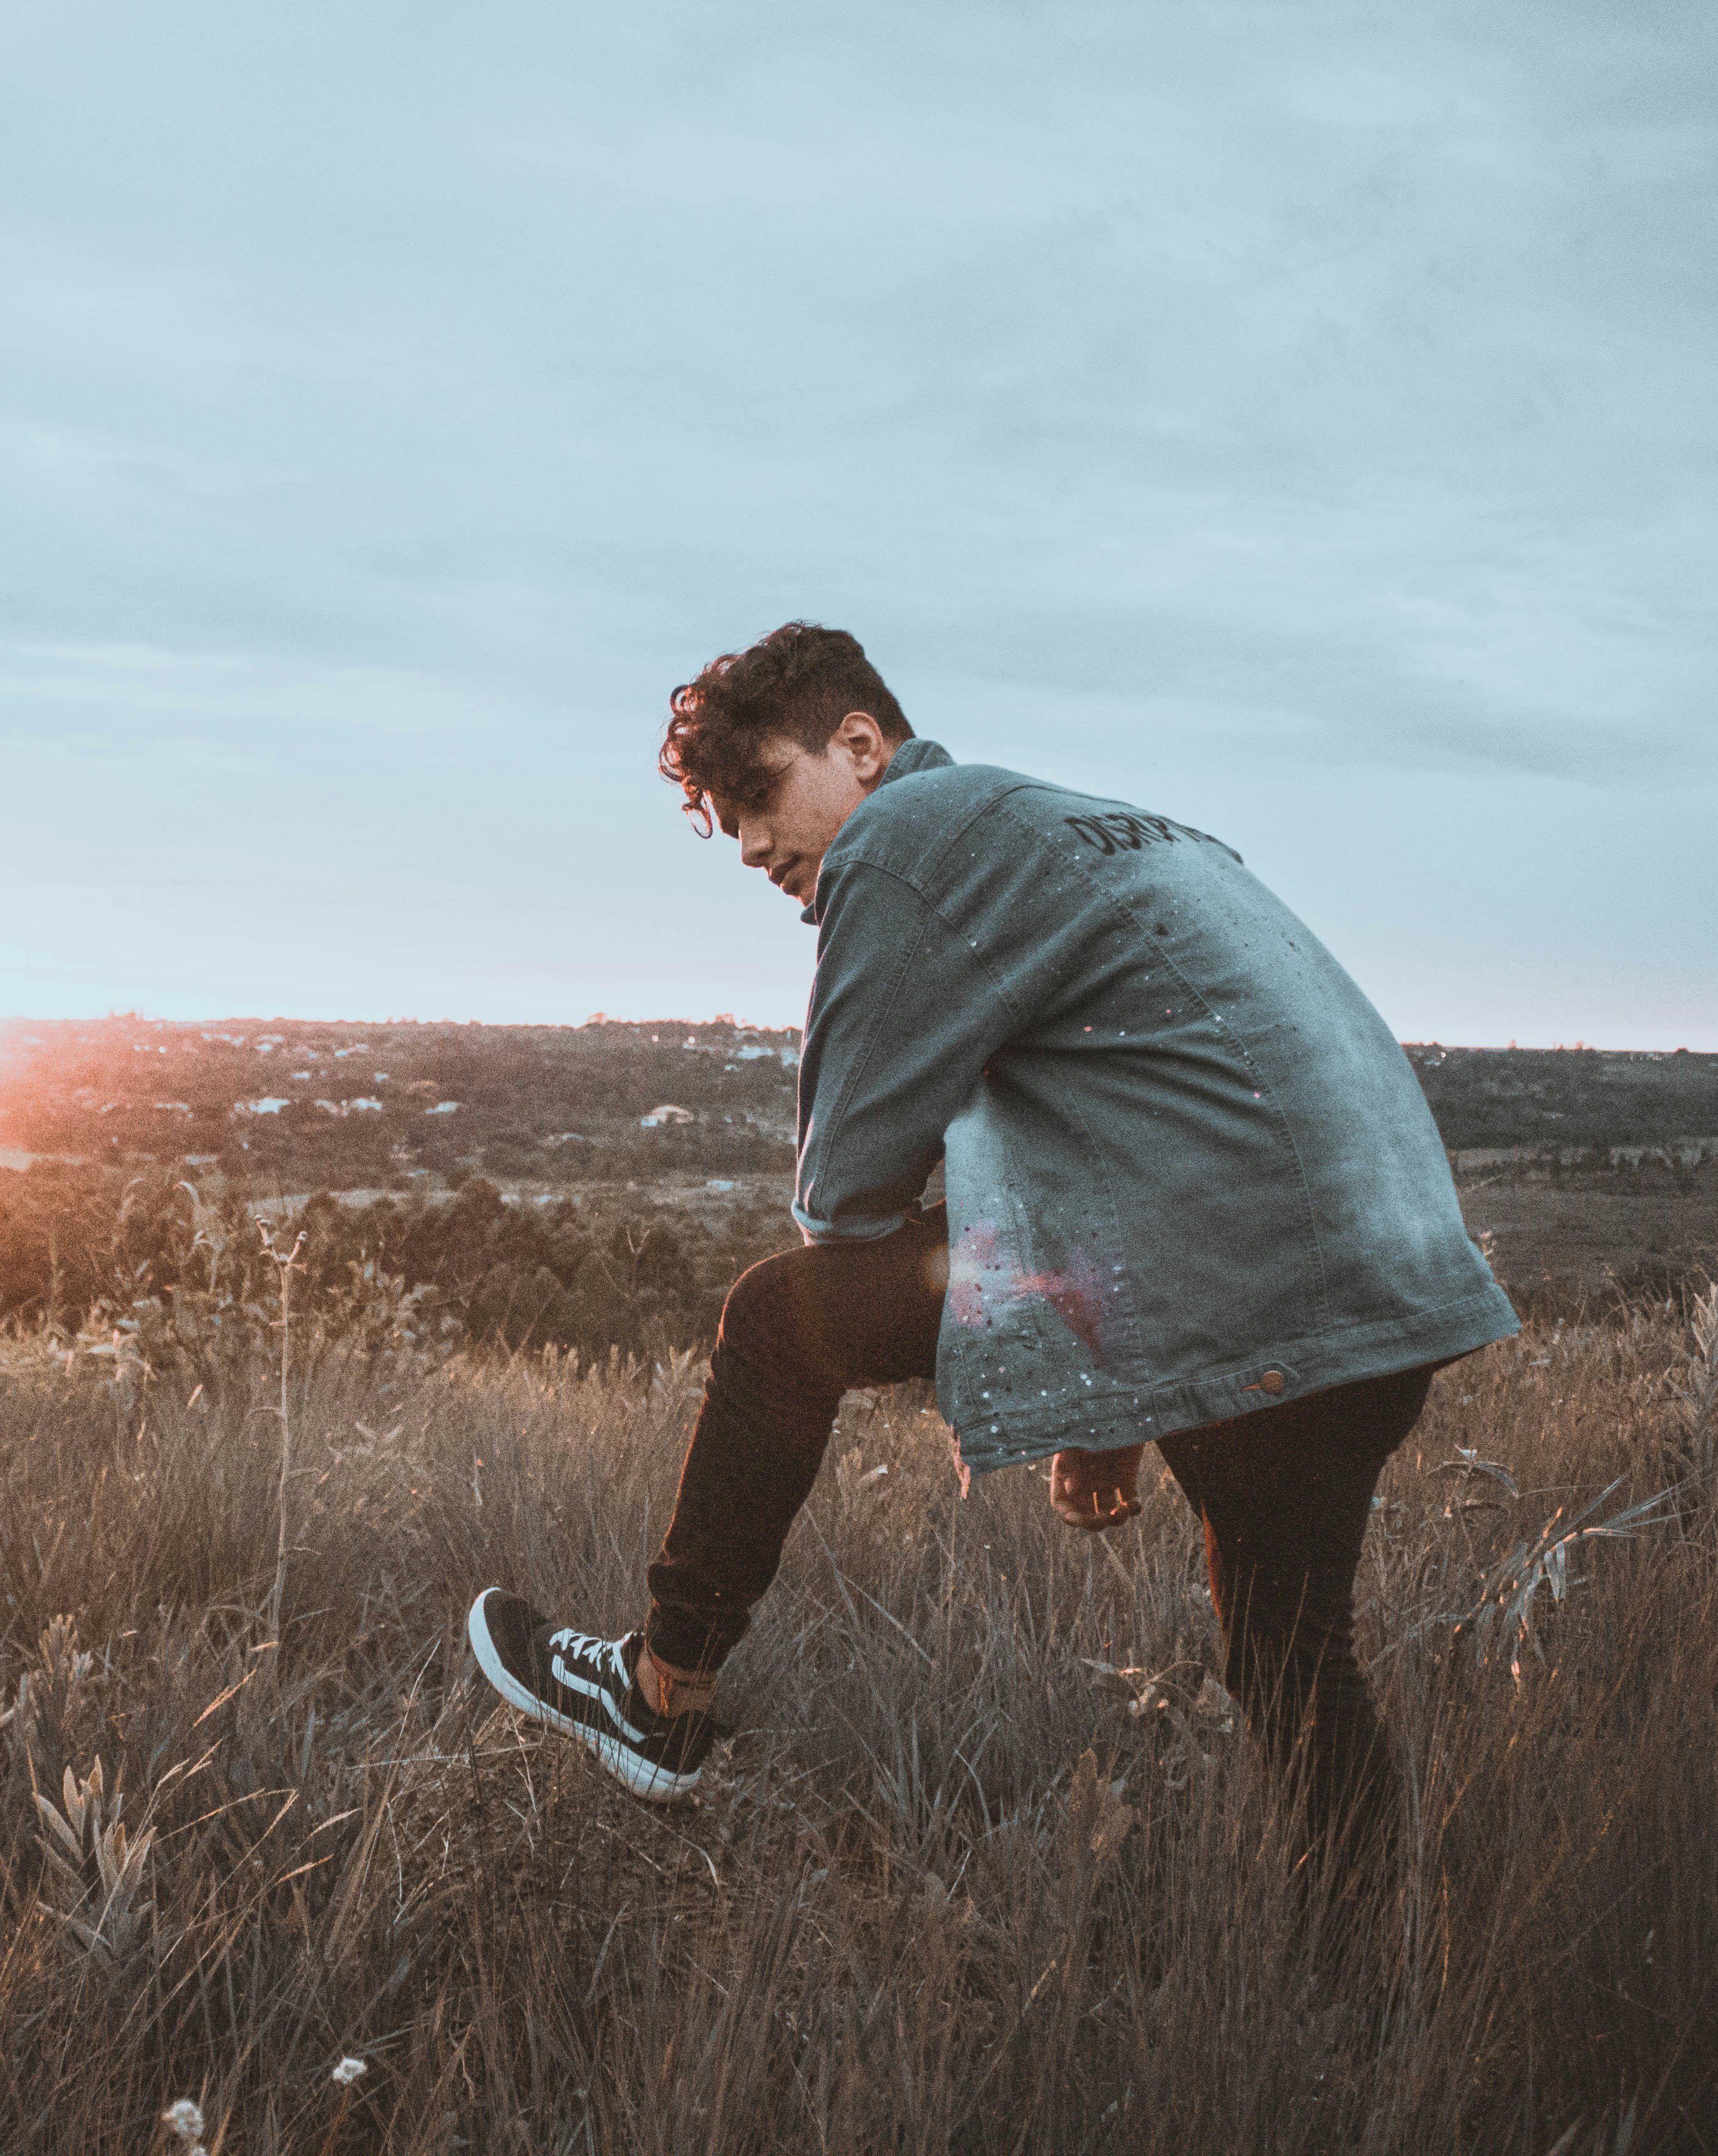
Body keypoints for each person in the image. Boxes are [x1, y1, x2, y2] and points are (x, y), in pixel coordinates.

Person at [465, 622, 1518, 1888]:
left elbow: (844, 1198)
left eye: (759, 792)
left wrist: (1075, 1373)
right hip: (1379, 1275)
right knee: (1294, 1662)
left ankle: (657, 1698)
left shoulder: (904, 840)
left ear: (862, 744)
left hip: (1243, 1271)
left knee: (781, 1318)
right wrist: (1105, 1400)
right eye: (726, 817)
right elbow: (1143, 1120)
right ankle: (1364, 1983)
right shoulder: (1106, 827)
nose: (746, 843)